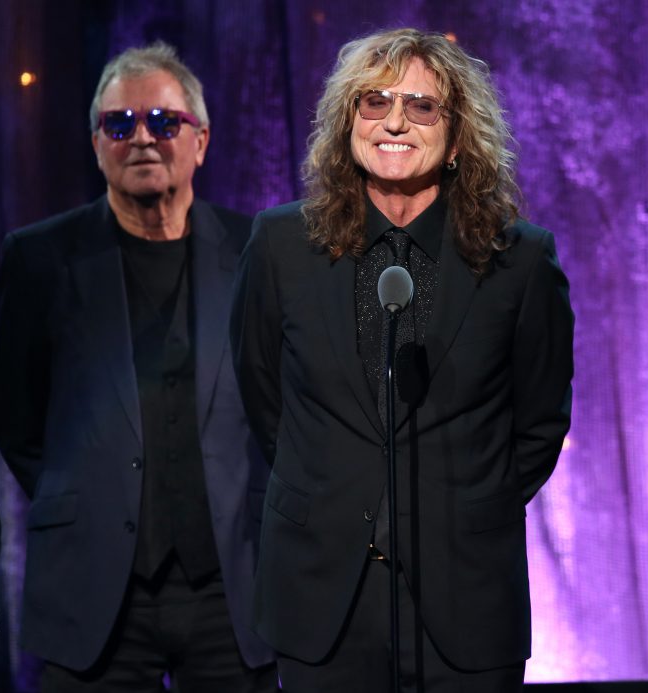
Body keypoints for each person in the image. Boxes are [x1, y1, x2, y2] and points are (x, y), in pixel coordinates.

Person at [230, 28, 574, 692]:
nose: (393, 120)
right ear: (345, 123)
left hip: (465, 597)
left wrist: (465, 508)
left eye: (421, 105)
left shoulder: (520, 261)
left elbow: (538, 424)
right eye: (373, 101)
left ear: (457, 135)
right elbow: (265, 396)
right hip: (322, 596)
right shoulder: (279, 245)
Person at [0, 42, 276, 691]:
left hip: (230, 589)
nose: (141, 137)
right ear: (97, 144)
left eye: (163, 121)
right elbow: (16, 419)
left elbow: (282, 408)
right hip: (94, 592)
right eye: (119, 124)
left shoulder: (258, 250)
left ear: (200, 140)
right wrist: (87, 498)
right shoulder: (39, 259)